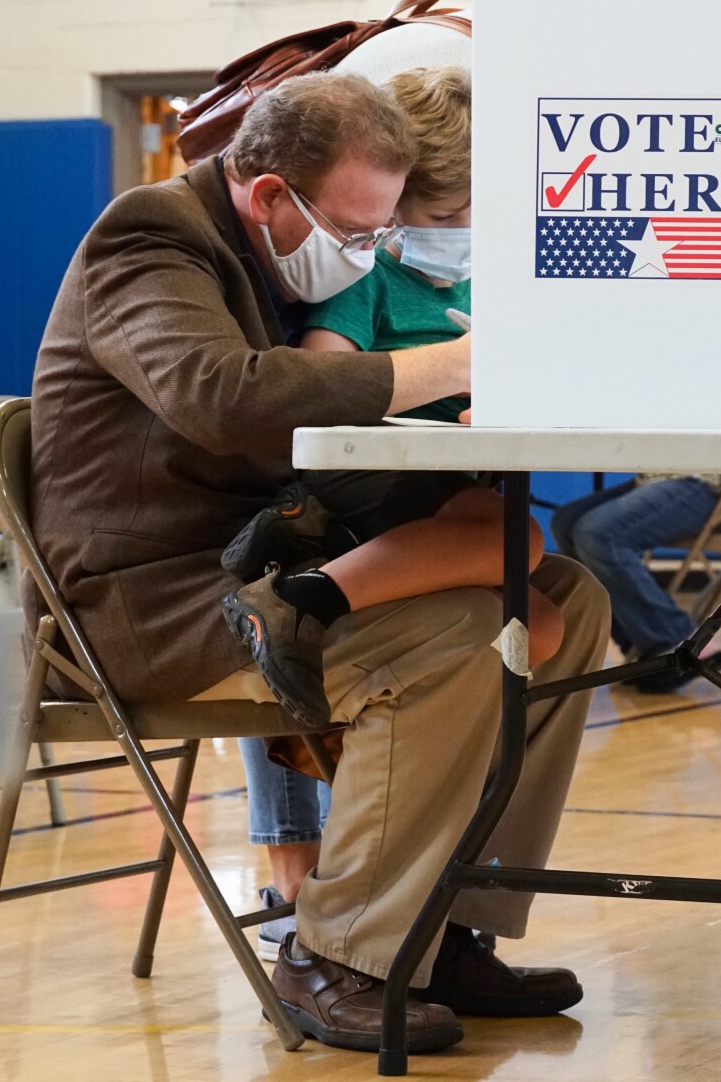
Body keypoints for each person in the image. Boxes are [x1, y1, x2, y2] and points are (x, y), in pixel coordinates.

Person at [27, 69, 611, 1054]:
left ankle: (438, 925)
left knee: (565, 595)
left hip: (257, 554)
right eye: (356, 231)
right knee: (465, 633)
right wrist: (466, 363)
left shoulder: (271, 250)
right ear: (267, 195)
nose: (371, 253)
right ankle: (335, 950)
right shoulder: (150, 235)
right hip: (154, 600)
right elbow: (224, 396)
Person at [235, 0, 710, 965]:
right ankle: (311, 888)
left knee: (559, 600)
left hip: (433, 422)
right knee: (344, 555)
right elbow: (318, 354)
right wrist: (447, 369)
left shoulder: (537, 98)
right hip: (330, 427)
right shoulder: (423, 96)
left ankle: (459, 913)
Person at [221, 65, 563, 728]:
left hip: (439, 478)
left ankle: (425, 712)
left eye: (476, 212)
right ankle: (299, 597)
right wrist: (439, 372)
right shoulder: (365, 275)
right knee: (518, 540)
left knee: (541, 629)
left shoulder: (474, 285)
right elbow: (324, 379)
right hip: (369, 473)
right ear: (391, 208)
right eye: (443, 215)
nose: (462, 229)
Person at [551, 473, 721, 693]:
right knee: (565, 522)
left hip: (716, 483)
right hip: (660, 476)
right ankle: (640, 644)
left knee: (597, 533)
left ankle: (681, 642)